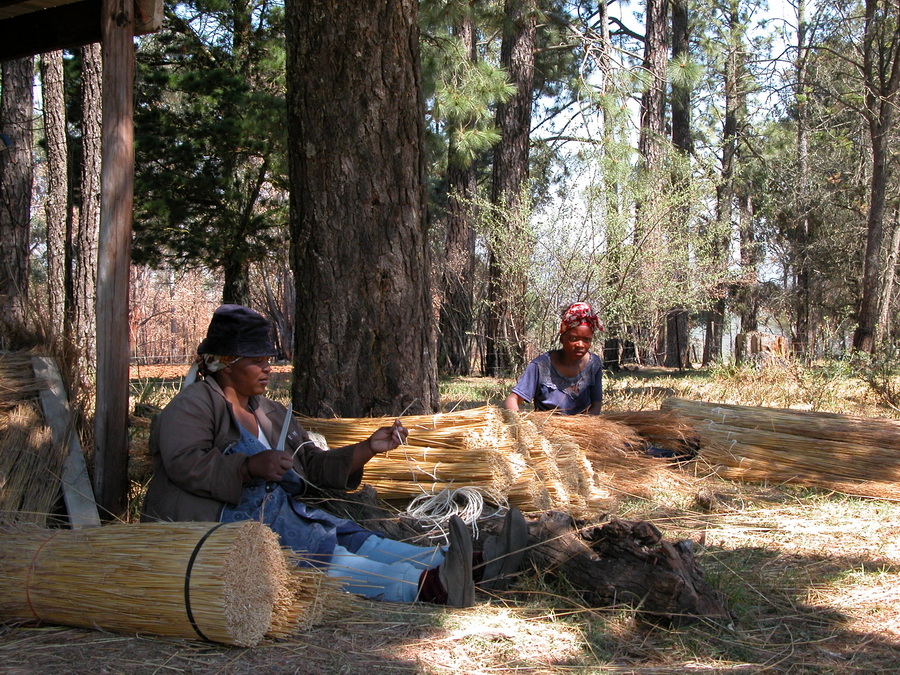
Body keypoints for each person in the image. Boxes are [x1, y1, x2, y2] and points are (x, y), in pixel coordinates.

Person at [142, 304, 526, 607]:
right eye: (257, 359)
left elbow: (311, 467)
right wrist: (247, 466)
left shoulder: (271, 412)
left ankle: (469, 566)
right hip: (225, 529)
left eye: (267, 358)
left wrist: (367, 449)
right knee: (321, 554)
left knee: (352, 536)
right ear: (225, 363)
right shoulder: (194, 403)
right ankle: (427, 588)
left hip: (277, 515)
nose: (267, 367)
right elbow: (184, 462)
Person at [504, 302, 604, 416]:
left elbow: (596, 405)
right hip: (547, 428)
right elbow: (512, 399)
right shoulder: (540, 366)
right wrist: (519, 424)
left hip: (583, 429)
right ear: (562, 339)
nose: (580, 345)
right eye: (573, 338)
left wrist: (587, 424)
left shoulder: (593, 364)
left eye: (586, 340)